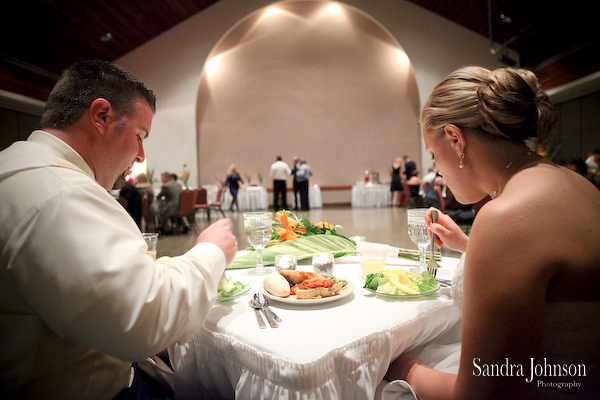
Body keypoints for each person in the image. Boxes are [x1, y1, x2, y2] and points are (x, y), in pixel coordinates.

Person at [0, 60, 238, 400]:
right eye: (139, 136)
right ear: (101, 117)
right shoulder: (59, 192)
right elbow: (145, 320)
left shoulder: (17, 164)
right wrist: (210, 250)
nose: (141, 156)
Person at [382, 66, 600, 399]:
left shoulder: (507, 215)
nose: (437, 171)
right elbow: (552, 280)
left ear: (455, 139)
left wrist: (401, 366)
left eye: (432, 154)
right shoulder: (578, 185)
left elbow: (480, 393)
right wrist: (468, 245)